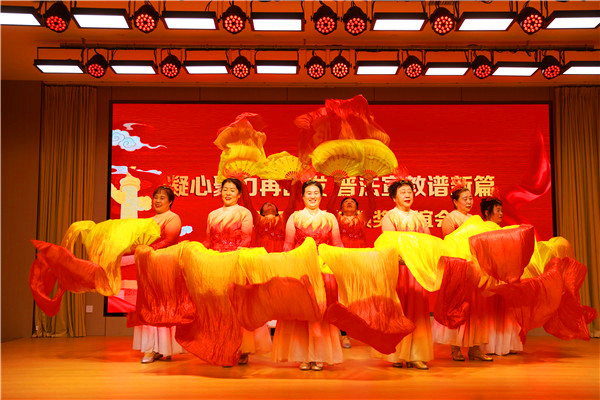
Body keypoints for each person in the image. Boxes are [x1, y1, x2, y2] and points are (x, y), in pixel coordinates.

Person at [274, 180, 344, 371]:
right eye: (309, 193)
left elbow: (337, 244)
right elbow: (288, 245)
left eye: (316, 193)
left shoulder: (329, 217)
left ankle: (319, 355)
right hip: (301, 269)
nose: (312, 196)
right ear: (303, 196)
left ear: (321, 196)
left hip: (324, 271)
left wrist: (339, 263)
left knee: (321, 312)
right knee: (302, 312)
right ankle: (303, 355)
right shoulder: (295, 217)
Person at [203, 177, 271, 364]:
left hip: (236, 263)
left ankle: (241, 348)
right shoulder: (212, 214)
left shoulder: (244, 213)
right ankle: (222, 345)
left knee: (237, 307)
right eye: (225, 189)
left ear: (239, 194)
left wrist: (233, 257)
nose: (228, 193)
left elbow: (246, 238)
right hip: (216, 264)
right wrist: (197, 251)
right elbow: (208, 240)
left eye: (232, 190)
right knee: (220, 306)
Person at [374, 179, 433, 370]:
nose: (407, 195)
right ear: (394, 197)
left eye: (409, 191)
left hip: (416, 269)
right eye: (403, 192)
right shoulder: (389, 217)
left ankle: (416, 355)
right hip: (398, 270)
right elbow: (391, 244)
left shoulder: (419, 217)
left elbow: (428, 241)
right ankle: (397, 354)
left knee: (417, 311)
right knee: (399, 311)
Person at [433, 183, 493, 362]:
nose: (469, 202)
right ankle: (455, 348)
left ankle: (475, 348)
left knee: (476, 309)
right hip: (458, 267)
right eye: (465, 199)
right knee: (458, 306)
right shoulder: (450, 218)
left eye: (470, 198)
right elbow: (448, 243)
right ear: (455, 201)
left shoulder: (476, 219)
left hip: (475, 268)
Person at [132, 185, 185, 364]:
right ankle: (151, 348)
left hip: (165, 266)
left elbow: (170, 239)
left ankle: (163, 348)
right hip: (149, 266)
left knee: (164, 305)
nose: (158, 200)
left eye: (162, 198)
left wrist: (148, 248)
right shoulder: (149, 221)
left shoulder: (173, 217)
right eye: (156, 197)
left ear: (170, 201)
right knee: (149, 304)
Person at [326, 178, 376, 348]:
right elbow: (329, 206)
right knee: (342, 298)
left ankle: (360, 331)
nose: (349, 203)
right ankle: (343, 334)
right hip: (341, 262)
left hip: (359, 262)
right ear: (340, 208)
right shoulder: (336, 220)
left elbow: (372, 205)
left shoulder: (361, 219)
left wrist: (368, 185)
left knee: (358, 298)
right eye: (345, 202)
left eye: (352, 202)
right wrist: (337, 185)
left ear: (357, 209)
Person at [479, 196, 523, 356]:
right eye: (497, 210)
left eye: (502, 210)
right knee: (490, 311)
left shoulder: (502, 230)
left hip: (503, 274)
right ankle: (489, 346)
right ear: (487, 212)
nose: (501, 213)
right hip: (489, 274)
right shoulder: (481, 229)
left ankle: (506, 344)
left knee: (505, 310)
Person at [241, 180, 300, 253]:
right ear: (262, 212)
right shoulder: (258, 219)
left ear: (277, 212)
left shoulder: (282, 219)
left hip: (279, 253)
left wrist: (293, 185)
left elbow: (291, 206)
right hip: (262, 254)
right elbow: (248, 204)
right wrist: (243, 184)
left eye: (272, 204)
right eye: (265, 204)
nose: (269, 204)